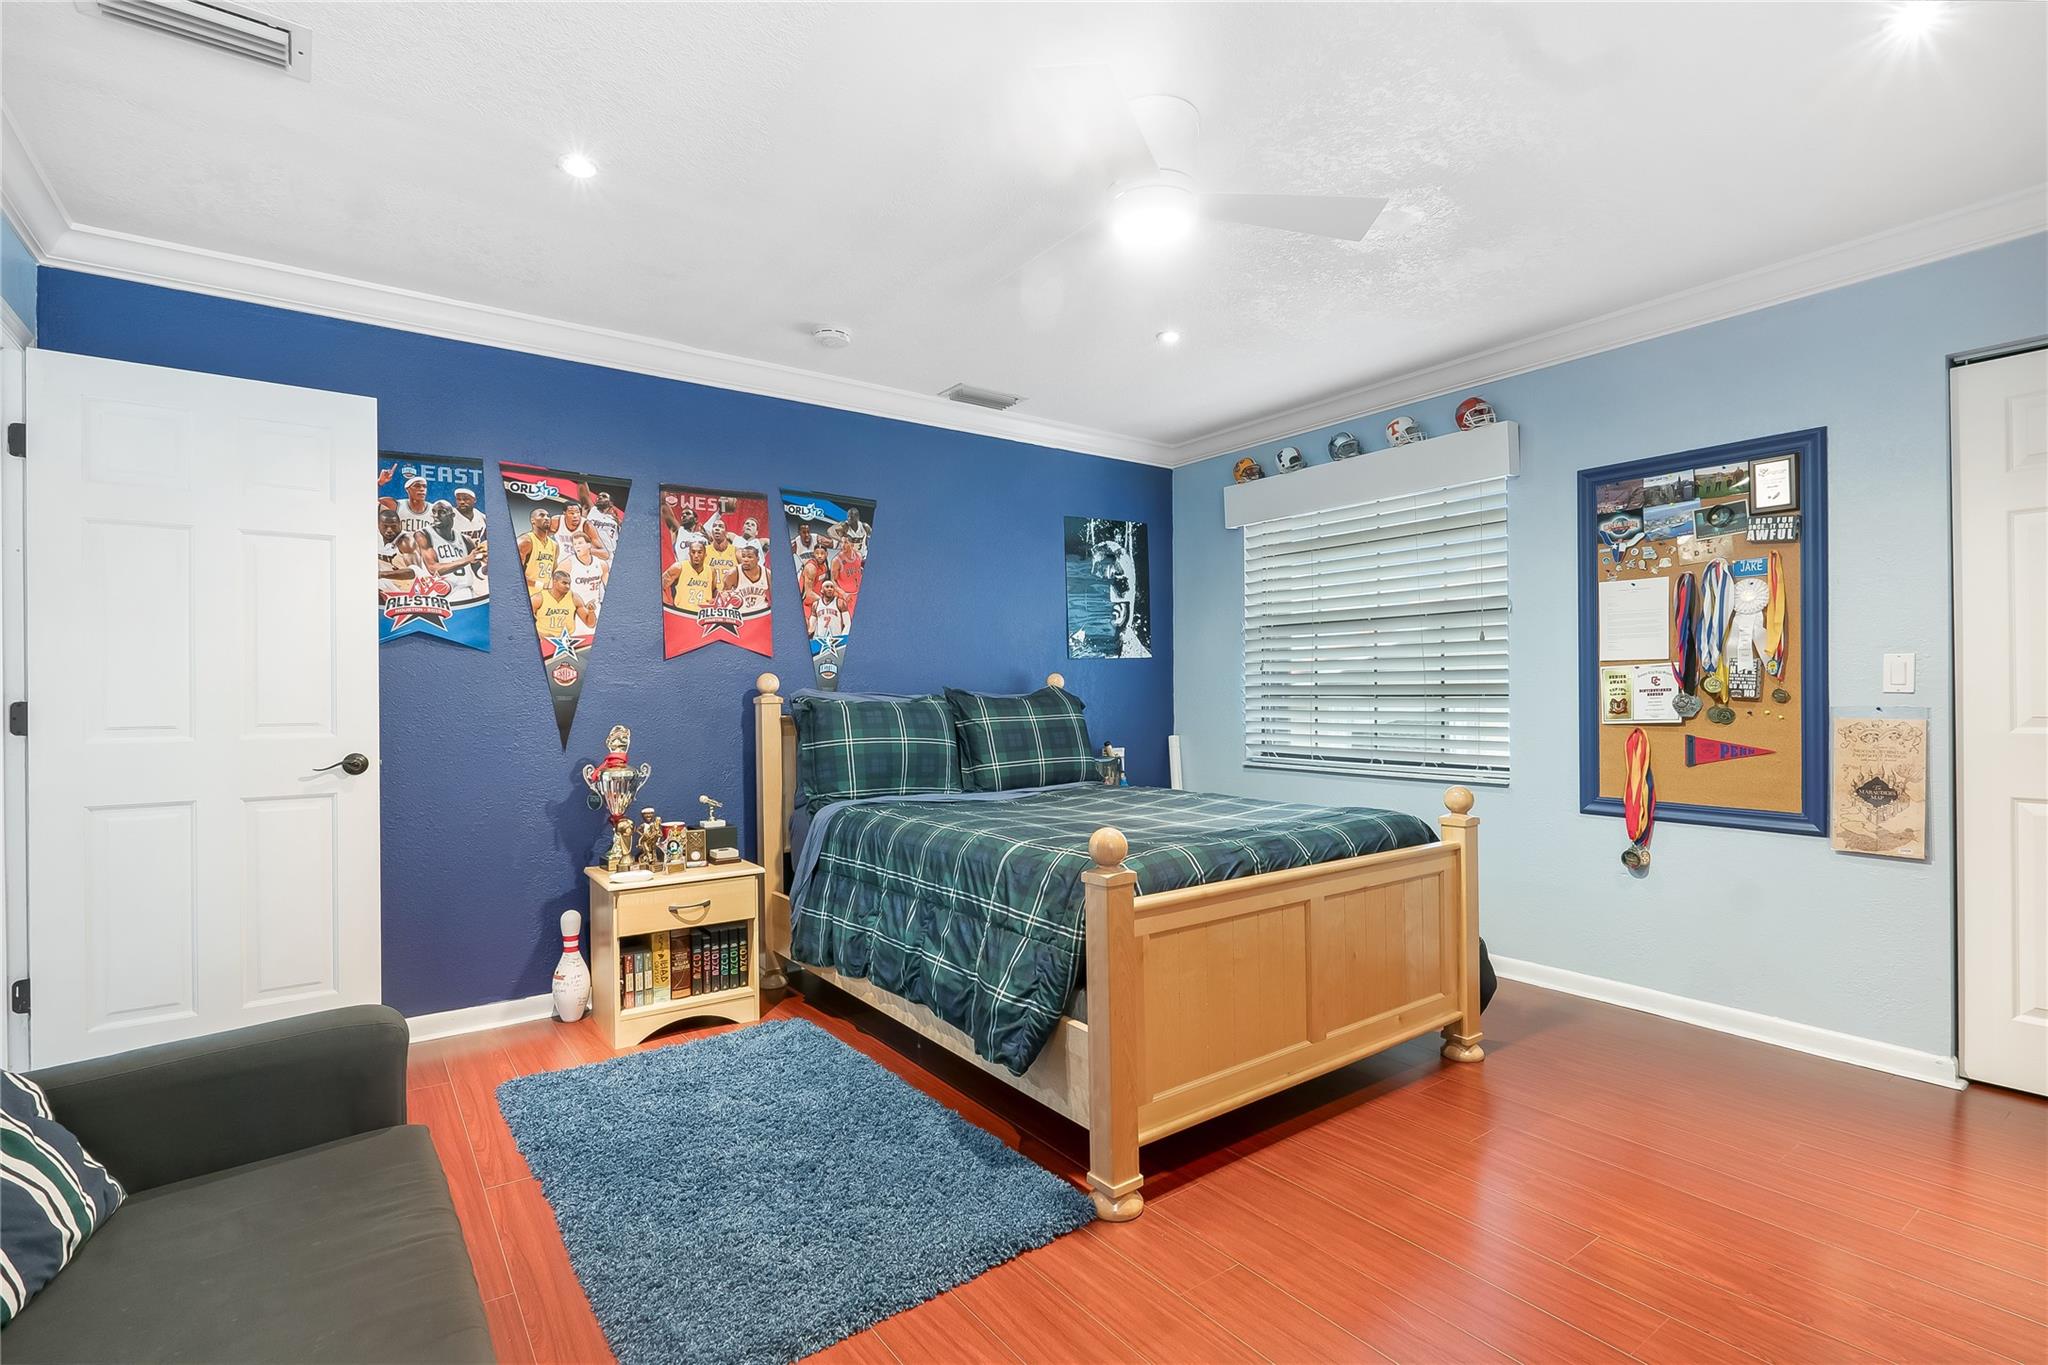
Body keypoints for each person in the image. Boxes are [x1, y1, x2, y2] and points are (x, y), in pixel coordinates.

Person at [532, 566, 594, 643]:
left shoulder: (574, 598)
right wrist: (540, 635)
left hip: (568, 640)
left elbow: (590, 624)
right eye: (564, 583)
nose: (568, 586)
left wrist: (591, 611)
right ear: (554, 581)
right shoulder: (538, 598)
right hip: (544, 641)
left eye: (569, 583)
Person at [562, 527, 611, 623]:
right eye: (575, 544)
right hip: (574, 610)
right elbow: (554, 585)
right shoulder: (567, 564)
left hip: (595, 608)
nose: (577, 546)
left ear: (589, 545)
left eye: (580, 543)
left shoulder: (601, 564)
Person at [661, 539, 718, 613]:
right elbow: (659, 586)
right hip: (683, 614)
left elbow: (714, 590)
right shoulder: (679, 568)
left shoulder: (711, 571)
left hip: (703, 615)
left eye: (699, 552)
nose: (696, 555)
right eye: (693, 552)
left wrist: (715, 599)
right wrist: (667, 605)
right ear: (689, 554)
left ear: (705, 554)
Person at [722, 541, 771, 614]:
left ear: (757, 559)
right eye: (743, 556)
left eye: (749, 557)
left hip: (761, 613)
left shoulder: (767, 574)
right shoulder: (732, 573)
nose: (745, 560)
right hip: (740, 614)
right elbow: (724, 595)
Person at [518, 507, 560, 591]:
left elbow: (554, 572)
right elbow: (515, 574)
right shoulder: (525, 541)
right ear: (533, 521)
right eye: (541, 515)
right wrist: (539, 585)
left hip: (545, 594)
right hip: (527, 594)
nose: (546, 518)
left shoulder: (554, 545)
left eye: (548, 516)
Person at [829, 535, 862, 617]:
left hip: (859, 594)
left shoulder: (859, 556)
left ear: (852, 544)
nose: (842, 545)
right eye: (841, 542)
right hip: (847, 596)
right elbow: (833, 580)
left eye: (846, 542)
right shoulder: (836, 561)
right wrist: (843, 593)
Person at [582, 488, 622, 554]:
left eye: (604, 496)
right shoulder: (592, 510)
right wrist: (583, 518)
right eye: (598, 496)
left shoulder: (615, 520)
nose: (600, 497)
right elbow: (584, 493)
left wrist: (619, 522)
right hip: (590, 551)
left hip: (609, 554)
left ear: (611, 503)